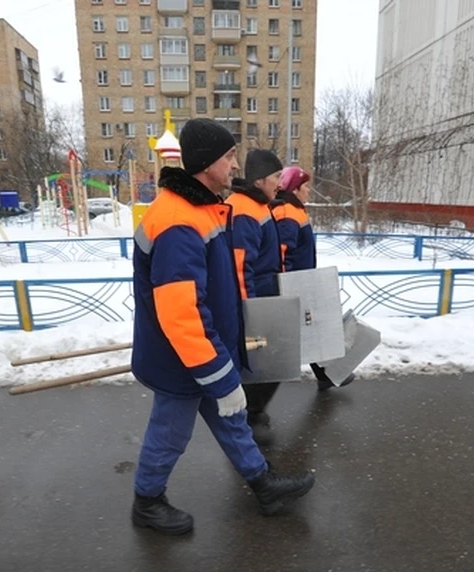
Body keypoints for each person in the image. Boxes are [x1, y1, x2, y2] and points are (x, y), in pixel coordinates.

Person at [130, 119, 315, 536]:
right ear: (206, 162)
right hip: (182, 358)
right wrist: (217, 372)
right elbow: (182, 314)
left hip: (202, 350)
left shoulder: (198, 208)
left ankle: (264, 486)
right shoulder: (178, 220)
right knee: (171, 433)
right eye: (229, 156)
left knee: (232, 420)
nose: (235, 166)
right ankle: (147, 501)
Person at [271, 166, 355, 391]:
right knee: (298, 333)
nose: (309, 190)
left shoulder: (295, 210)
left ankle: (325, 375)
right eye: (306, 186)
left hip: (302, 281)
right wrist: (285, 286)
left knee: (309, 329)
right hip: (295, 284)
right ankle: (257, 399)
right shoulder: (288, 212)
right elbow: (282, 252)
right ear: (295, 189)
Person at [226, 149, 285, 446]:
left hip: (265, 295)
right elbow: (239, 265)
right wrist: (249, 313)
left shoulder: (256, 204)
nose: (280, 182)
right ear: (260, 179)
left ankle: (254, 412)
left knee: (270, 358)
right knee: (264, 358)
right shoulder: (245, 209)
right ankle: (249, 415)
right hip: (255, 300)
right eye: (276, 176)